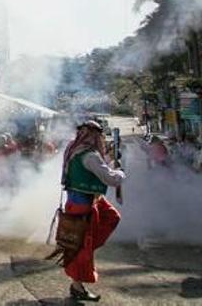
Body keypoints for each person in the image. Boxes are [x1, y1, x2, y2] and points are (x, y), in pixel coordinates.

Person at [52, 120, 125, 302]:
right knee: (80, 249)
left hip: (82, 202)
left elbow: (97, 169)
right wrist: (120, 173)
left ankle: (88, 248)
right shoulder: (90, 156)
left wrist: (107, 163)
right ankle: (77, 287)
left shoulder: (73, 148)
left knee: (111, 217)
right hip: (83, 206)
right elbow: (109, 178)